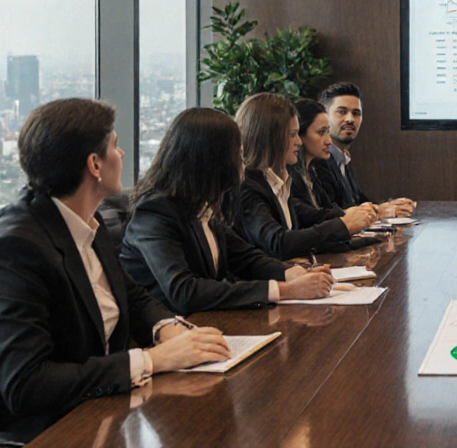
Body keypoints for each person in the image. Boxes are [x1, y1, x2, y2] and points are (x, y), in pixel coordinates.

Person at [0, 99, 231, 441]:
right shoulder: (14, 249)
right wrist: (152, 360)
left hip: (86, 412)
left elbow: (130, 294)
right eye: (114, 145)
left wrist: (168, 330)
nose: (121, 154)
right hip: (8, 433)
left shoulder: (83, 221)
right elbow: (27, 384)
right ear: (94, 164)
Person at [120, 107, 334, 314]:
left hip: (210, 322)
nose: (242, 160)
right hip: (173, 329)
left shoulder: (203, 203)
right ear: (211, 158)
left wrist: (291, 273)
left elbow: (244, 257)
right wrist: (285, 290)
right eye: (237, 152)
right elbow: (184, 291)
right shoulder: (155, 212)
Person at [232, 93, 376, 260]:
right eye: (293, 134)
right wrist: (344, 224)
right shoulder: (248, 186)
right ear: (271, 137)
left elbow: (309, 223)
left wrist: (367, 239)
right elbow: (278, 243)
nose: (299, 142)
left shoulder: (277, 182)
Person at [315, 82, 415, 218]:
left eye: (356, 113)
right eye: (341, 112)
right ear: (323, 116)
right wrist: (378, 212)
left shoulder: (342, 157)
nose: (350, 119)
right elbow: (330, 216)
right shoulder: (317, 161)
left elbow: (358, 203)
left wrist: (387, 207)